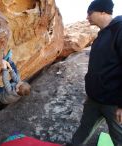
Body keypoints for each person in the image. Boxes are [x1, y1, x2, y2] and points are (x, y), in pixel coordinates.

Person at [66, 0, 122, 146]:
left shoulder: (120, 29)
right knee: (83, 130)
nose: (87, 17)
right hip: (94, 99)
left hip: (113, 102)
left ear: (103, 12)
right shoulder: (102, 35)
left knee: (119, 138)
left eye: (90, 13)